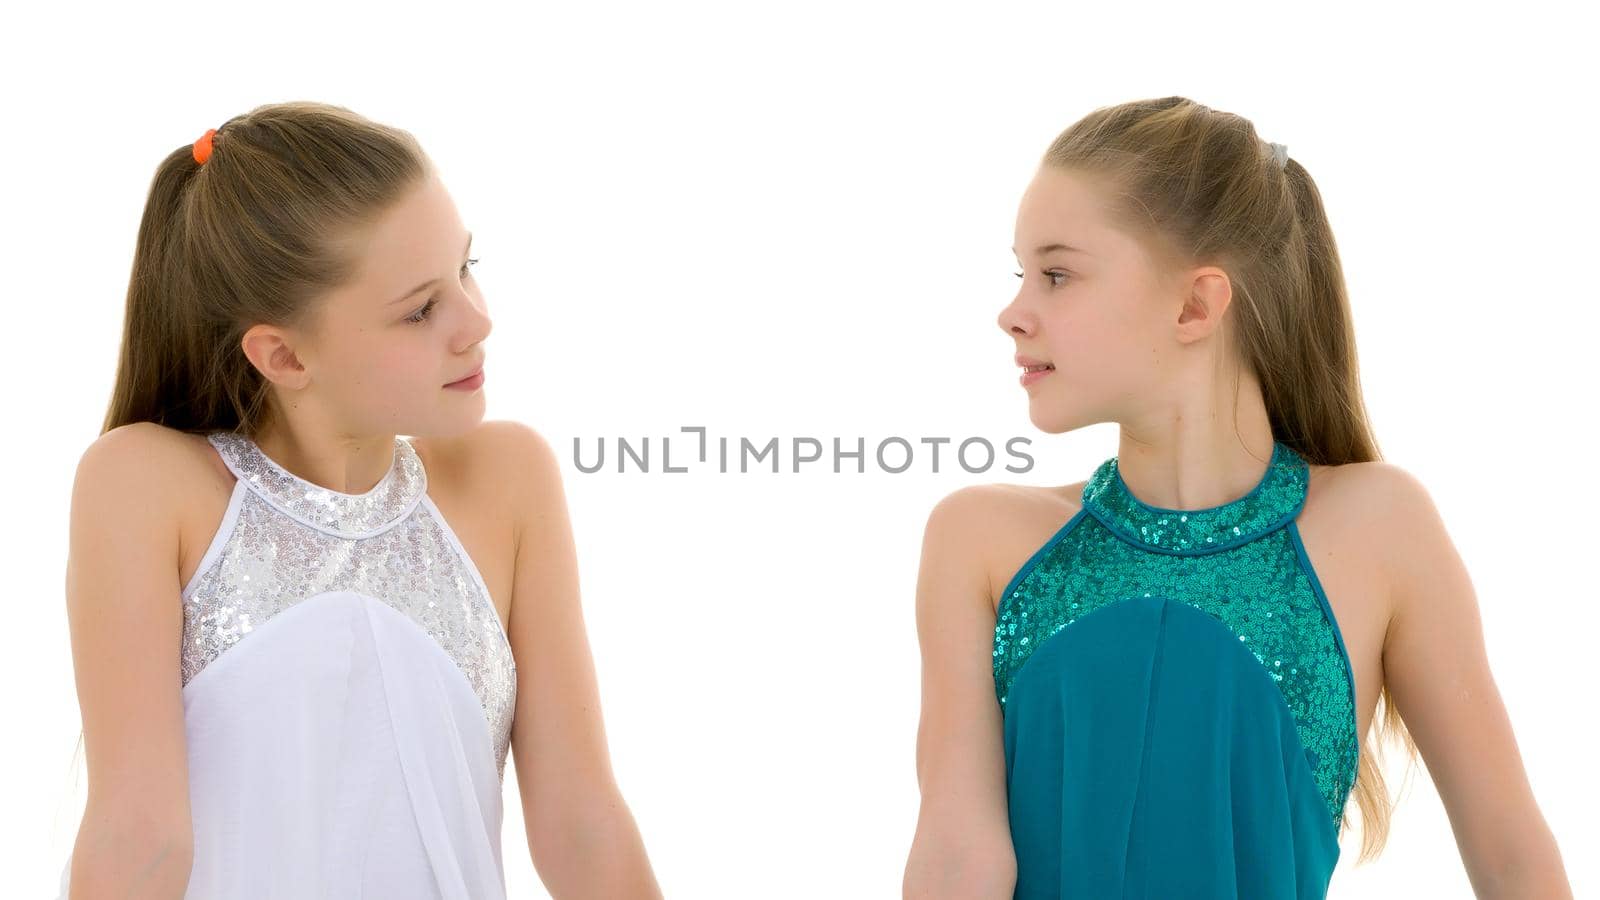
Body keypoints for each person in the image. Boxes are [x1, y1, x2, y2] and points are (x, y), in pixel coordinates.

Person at [902, 96, 1572, 899]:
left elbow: (1513, 864)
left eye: (1056, 274)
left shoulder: (1379, 528)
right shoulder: (979, 540)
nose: (1013, 313)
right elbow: (955, 858)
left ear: (1195, 304)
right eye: (1021, 275)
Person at [58, 101, 662, 899]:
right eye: (420, 309)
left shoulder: (508, 480)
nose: (477, 322)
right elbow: (141, 837)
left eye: (467, 269)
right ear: (282, 354)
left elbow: (582, 825)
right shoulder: (148, 484)